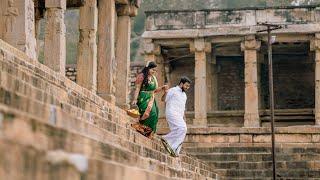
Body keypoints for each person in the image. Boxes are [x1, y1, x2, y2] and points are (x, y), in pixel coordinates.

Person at [131, 61, 168, 137]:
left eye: (155, 70)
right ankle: (142, 130)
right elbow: (137, 88)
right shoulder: (142, 76)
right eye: (153, 70)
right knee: (146, 114)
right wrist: (135, 99)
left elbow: (154, 90)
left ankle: (149, 133)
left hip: (151, 99)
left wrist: (162, 88)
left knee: (154, 114)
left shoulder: (154, 78)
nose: (154, 72)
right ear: (148, 68)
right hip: (143, 98)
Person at [161, 76, 191, 157]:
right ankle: (167, 139)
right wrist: (166, 92)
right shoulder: (173, 90)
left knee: (181, 130)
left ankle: (175, 150)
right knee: (183, 128)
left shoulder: (184, 95)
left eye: (188, 86)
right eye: (186, 85)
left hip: (179, 115)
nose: (187, 88)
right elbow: (163, 99)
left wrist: (184, 118)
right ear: (181, 83)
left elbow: (183, 108)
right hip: (172, 112)